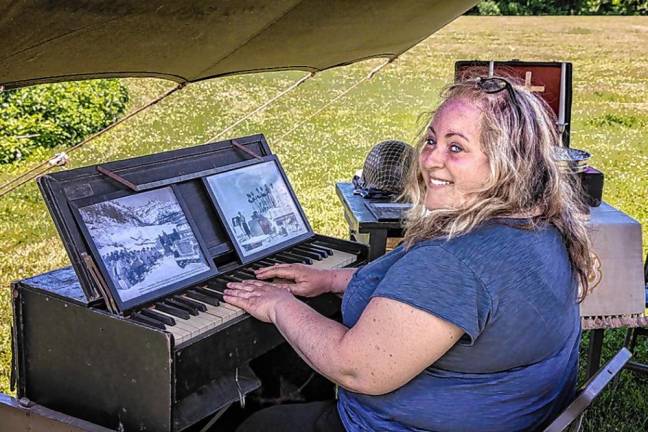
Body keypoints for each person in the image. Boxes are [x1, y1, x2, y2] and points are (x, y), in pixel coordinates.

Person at [224, 76, 593, 432]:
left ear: (508, 164)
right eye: (431, 140)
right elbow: (433, 304)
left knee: (258, 424)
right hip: (511, 416)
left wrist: (278, 306)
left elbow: (355, 369)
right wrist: (333, 279)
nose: (430, 159)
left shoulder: (454, 263)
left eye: (456, 147)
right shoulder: (541, 225)